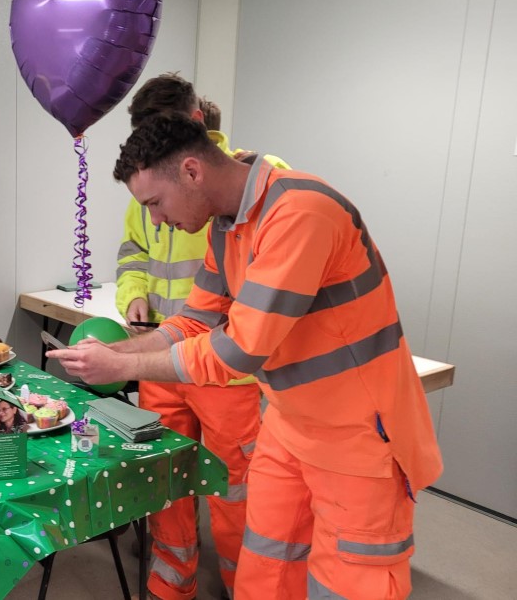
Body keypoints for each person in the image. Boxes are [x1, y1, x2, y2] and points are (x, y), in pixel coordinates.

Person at [51, 114, 443, 600]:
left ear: (192, 172)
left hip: (359, 436)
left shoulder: (301, 211)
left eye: (155, 203)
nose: (155, 221)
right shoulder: (226, 226)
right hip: (288, 423)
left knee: (348, 582)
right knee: (266, 569)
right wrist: (118, 350)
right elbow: (193, 322)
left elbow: (238, 349)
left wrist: (124, 368)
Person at [116, 74, 288, 600]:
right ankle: (172, 587)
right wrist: (133, 297)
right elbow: (131, 252)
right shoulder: (148, 187)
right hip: (165, 353)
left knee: (237, 494)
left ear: (192, 133)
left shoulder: (259, 184)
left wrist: (124, 360)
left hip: (225, 368)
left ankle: (246, 587)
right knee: (164, 482)